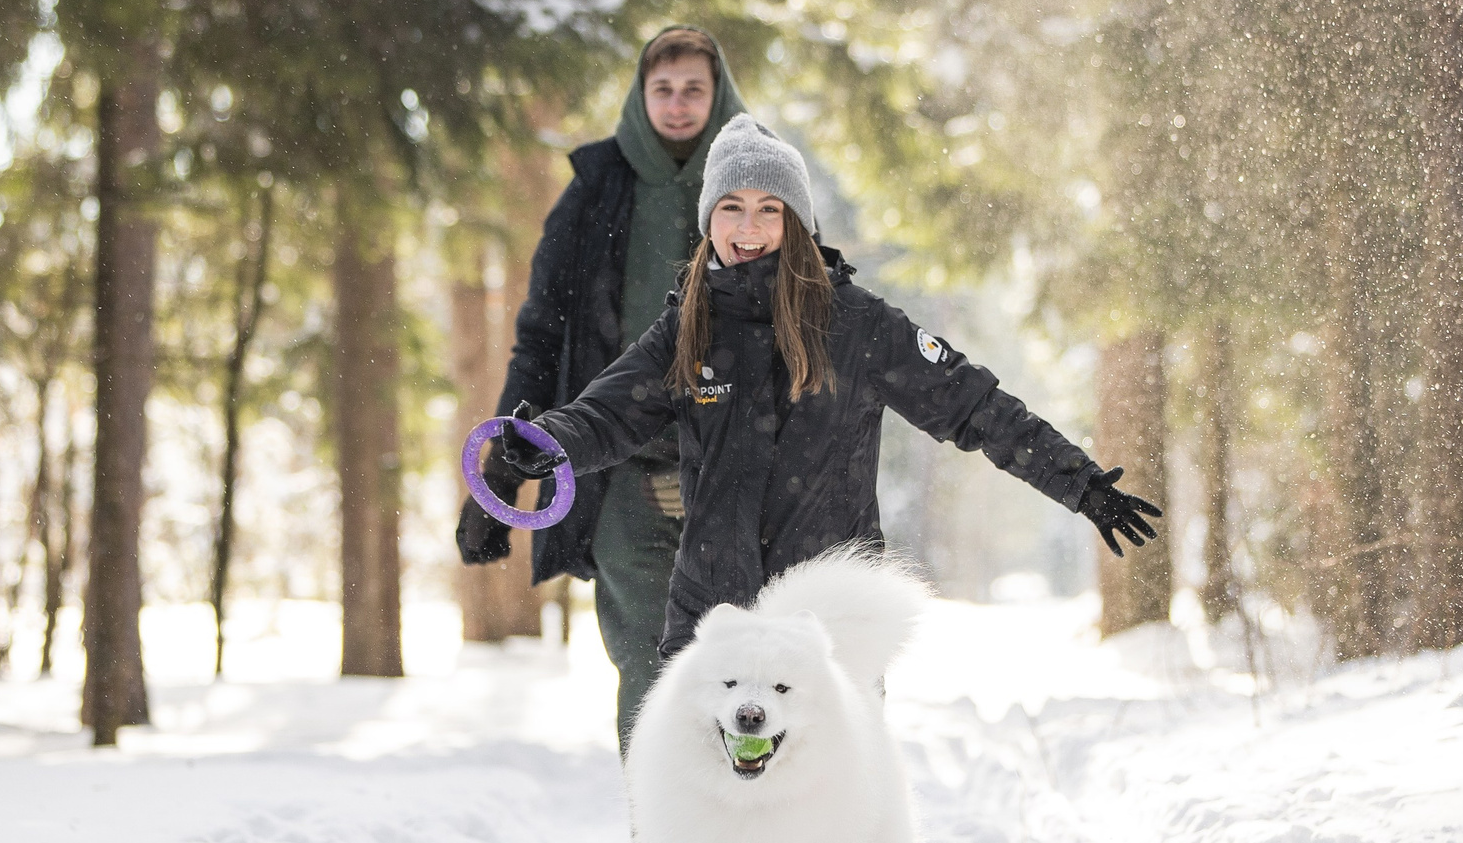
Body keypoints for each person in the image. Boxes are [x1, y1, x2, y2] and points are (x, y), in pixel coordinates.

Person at [489, 110, 1163, 673]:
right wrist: (545, 442)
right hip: (715, 622)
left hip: (832, 624)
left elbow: (976, 406)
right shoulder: (687, 326)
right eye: (731, 208)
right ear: (709, 219)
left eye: (767, 210)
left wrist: (1079, 482)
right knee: (720, 818)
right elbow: (606, 414)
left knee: (824, 816)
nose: (748, 230)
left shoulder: (858, 325)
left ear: (797, 222)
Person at [456, 25, 744, 843]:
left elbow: (810, 321)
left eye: (694, 88)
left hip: (728, 470)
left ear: (717, 93)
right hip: (616, 467)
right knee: (648, 675)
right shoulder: (595, 193)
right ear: (641, 94)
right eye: (663, 88)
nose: (678, 105)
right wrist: (503, 464)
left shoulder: (757, 185)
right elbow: (543, 336)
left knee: (737, 672)